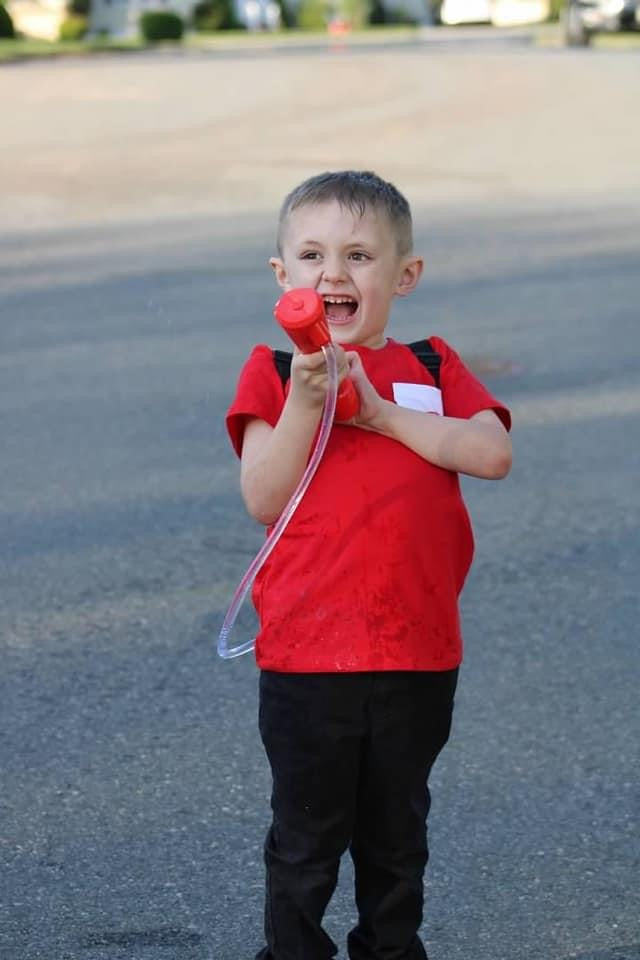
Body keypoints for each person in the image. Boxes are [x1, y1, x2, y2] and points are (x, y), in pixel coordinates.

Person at [225, 170, 512, 960]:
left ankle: (390, 950)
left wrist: (380, 413)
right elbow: (262, 495)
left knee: (396, 833)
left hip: (417, 649)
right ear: (285, 278)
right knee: (306, 837)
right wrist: (309, 401)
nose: (334, 274)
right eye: (312, 255)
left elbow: (490, 453)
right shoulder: (276, 373)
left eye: (359, 255)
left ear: (403, 275)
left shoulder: (430, 363)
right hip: (309, 656)